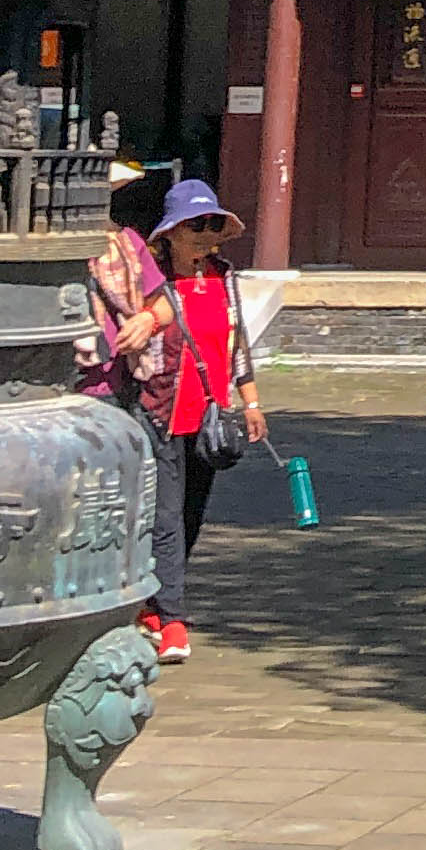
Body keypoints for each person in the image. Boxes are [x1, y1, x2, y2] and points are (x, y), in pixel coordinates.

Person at [85, 176, 266, 664]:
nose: (206, 235)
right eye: (195, 226)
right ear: (170, 233)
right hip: (162, 407)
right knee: (164, 515)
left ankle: (153, 600)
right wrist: (147, 319)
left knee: (190, 516)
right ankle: (172, 620)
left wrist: (249, 401)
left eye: (213, 225)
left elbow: (237, 341)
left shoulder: (222, 274)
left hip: (208, 413)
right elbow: (140, 311)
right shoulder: (149, 274)